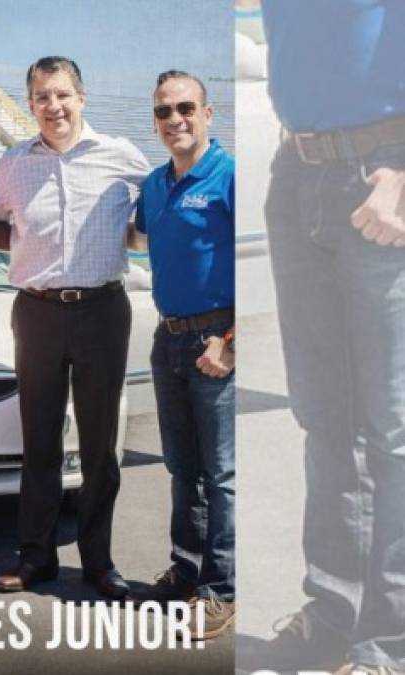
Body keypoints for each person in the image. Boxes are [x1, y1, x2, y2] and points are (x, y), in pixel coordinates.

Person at [241, 3, 405, 673]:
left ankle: (390, 640)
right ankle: (334, 612)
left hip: (382, 177)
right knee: (324, 419)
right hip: (298, 176)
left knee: (393, 428)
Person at [0, 56, 150, 599]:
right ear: (31, 104)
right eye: (42, 96)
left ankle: (99, 561)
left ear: (81, 97)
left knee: (99, 446)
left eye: (62, 94)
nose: (53, 106)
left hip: (103, 311)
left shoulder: (123, 157)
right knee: (39, 441)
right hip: (37, 311)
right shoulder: (15, 162)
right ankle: (36, 557)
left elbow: (146, 225)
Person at [128, 71, 235, 641]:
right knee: (182, 469)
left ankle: (223, 590)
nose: (176, 119)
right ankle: (187, 572)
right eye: (164, 111)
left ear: (208, 113)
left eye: (186, 107)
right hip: (168, 338)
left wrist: (231, 341)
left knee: (222, 473)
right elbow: (138, 238)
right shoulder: (153, 184)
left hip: (217, 337)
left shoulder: (230, 176)